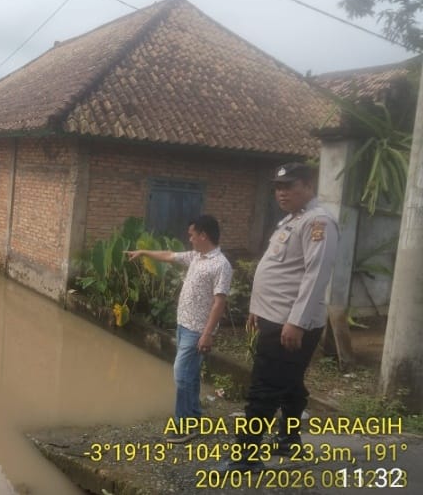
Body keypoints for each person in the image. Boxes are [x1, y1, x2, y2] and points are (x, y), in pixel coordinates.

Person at [219, 162, 338, 472]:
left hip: (291, 322)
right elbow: (279, 272)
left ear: (308, 186)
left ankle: (247, 457)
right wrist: (257, 310)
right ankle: (288, 441)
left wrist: (296, 322)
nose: (282, 192)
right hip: (275, 318)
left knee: (264, 387)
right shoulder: (291, 220)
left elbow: (316, 275)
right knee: (290, 383)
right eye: (278, 186)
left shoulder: (318, 223)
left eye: (290, 185)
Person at [126, 216, 232, 434]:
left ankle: (184, 425)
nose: (189, 238)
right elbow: (169, 256)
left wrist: (207, 334)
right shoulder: (196, 257)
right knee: (190, 375)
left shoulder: (220, 265)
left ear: (203, 235)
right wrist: (144, 253)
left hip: (197, 330)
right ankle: (193, 416)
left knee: (181, 375)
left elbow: (219, 302)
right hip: (184, 325)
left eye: (192, 234)